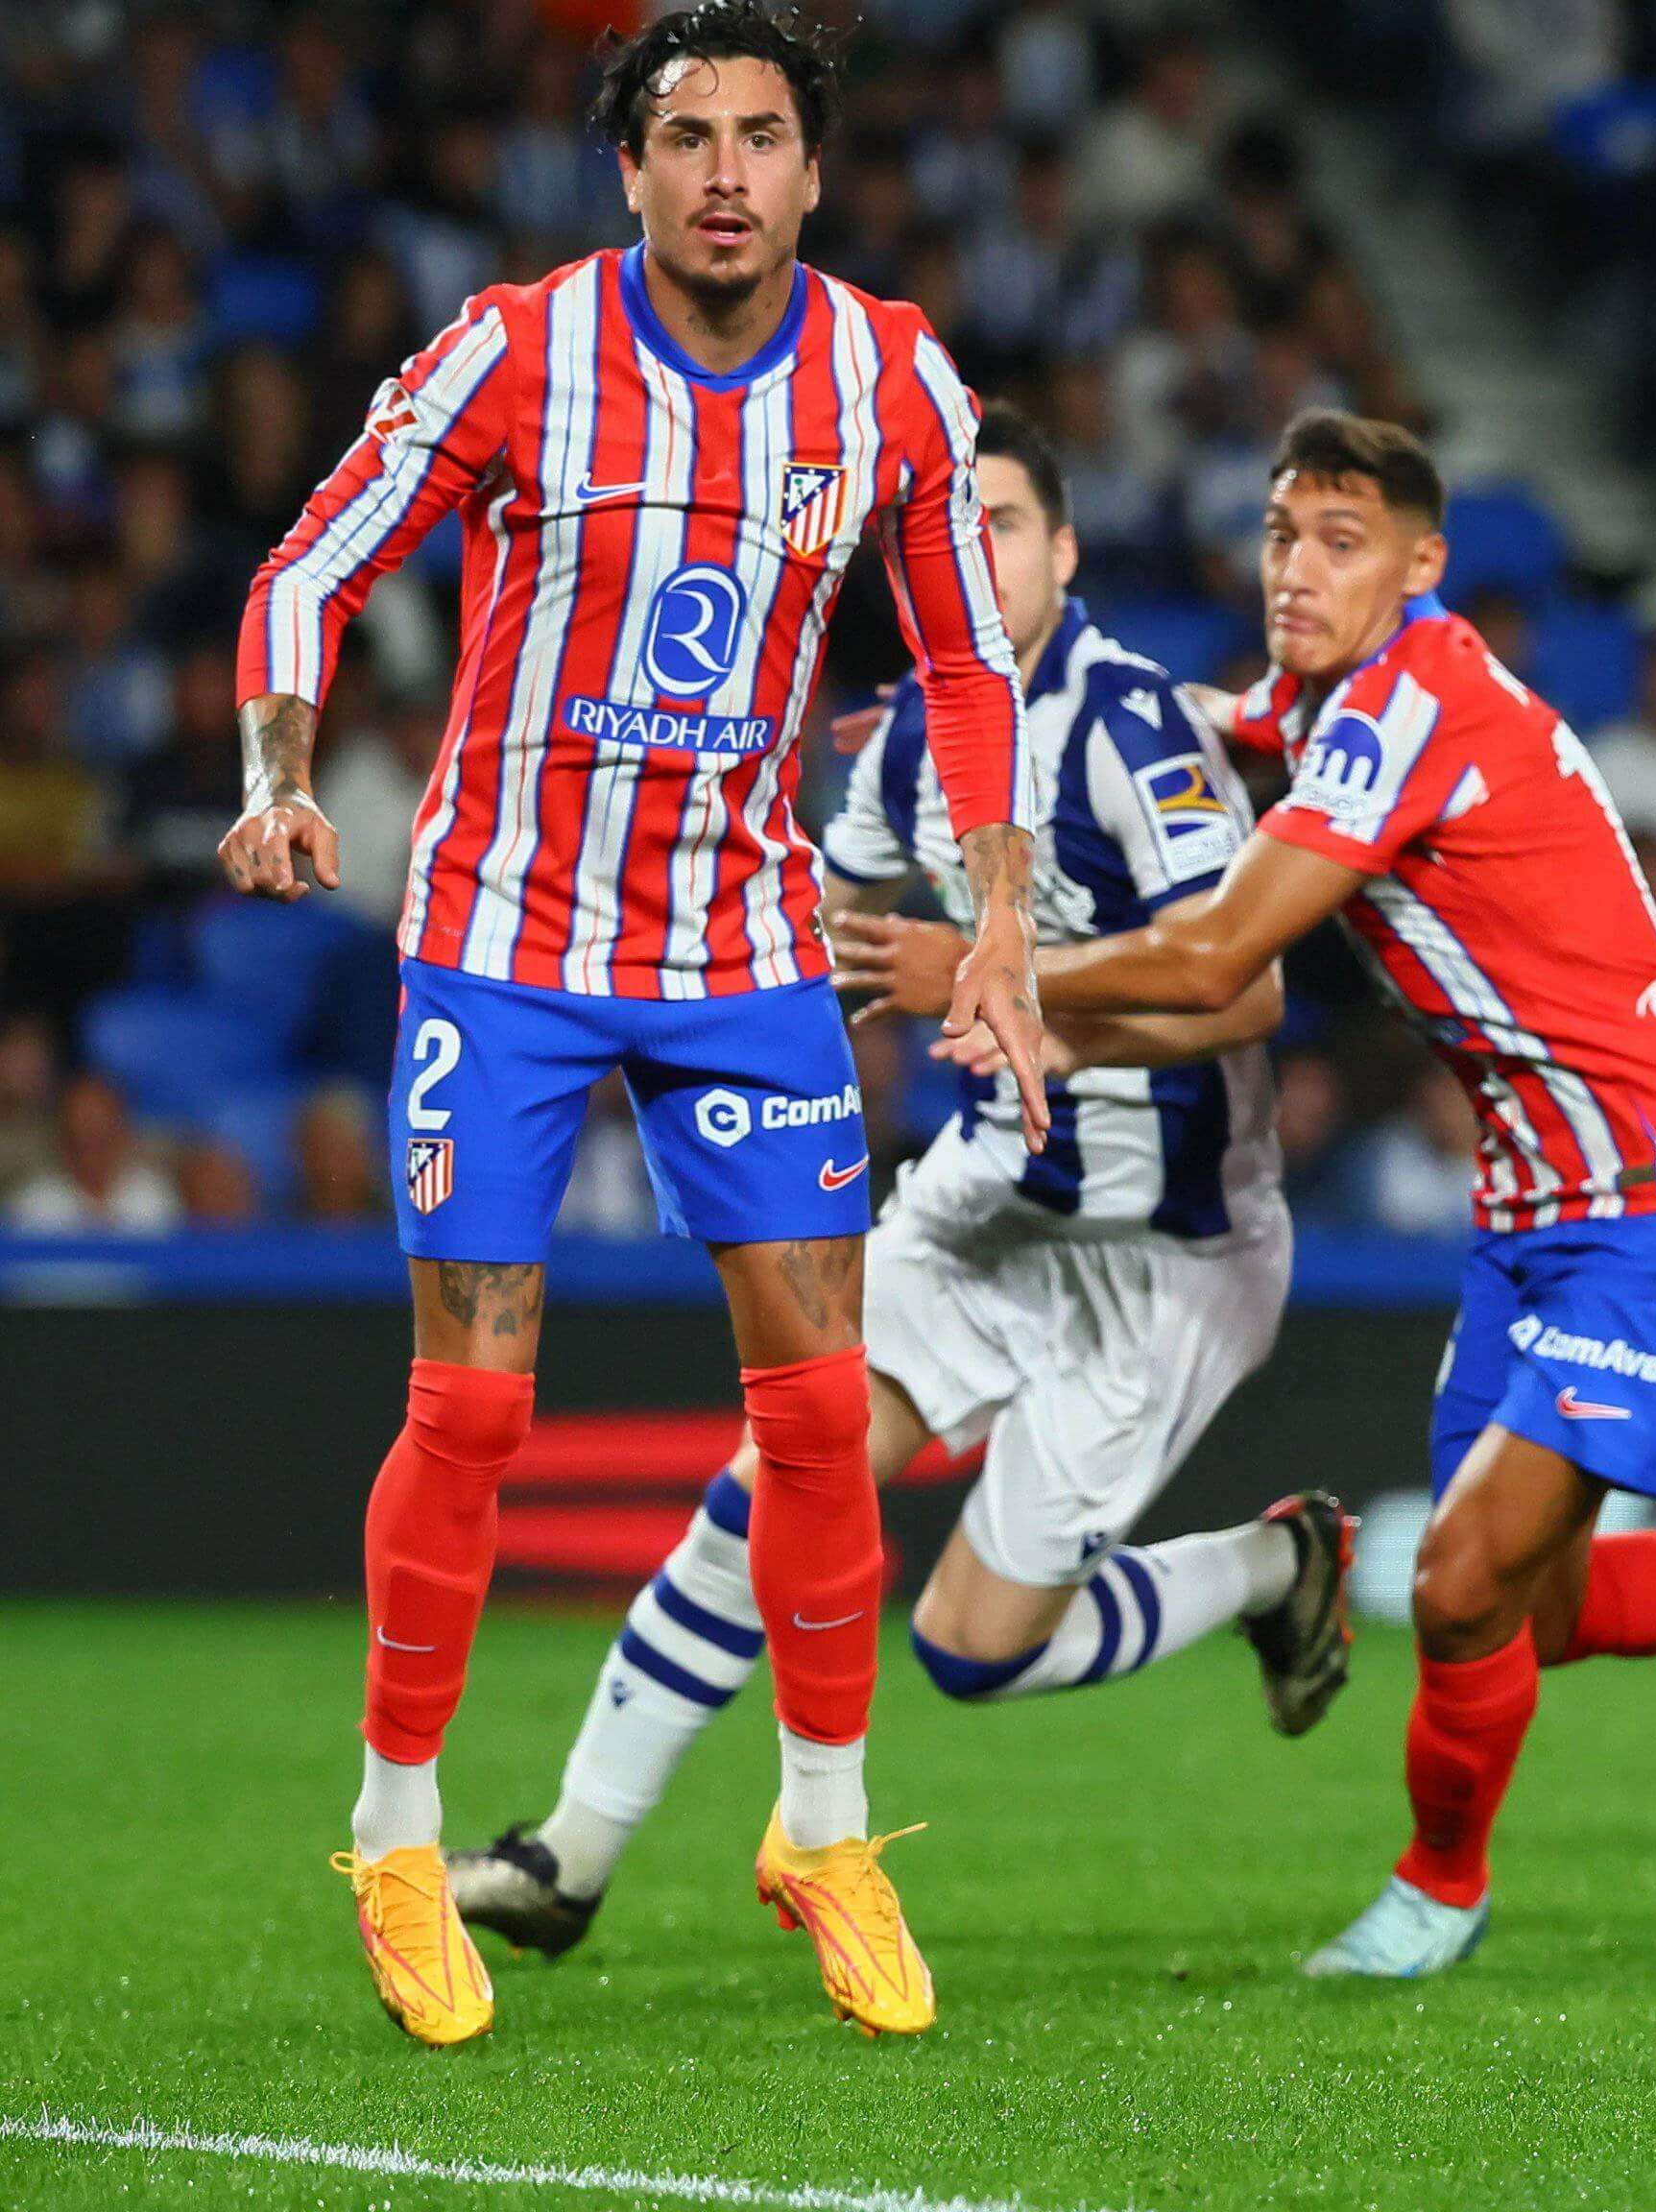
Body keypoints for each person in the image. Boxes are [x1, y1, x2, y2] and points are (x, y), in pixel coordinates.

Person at [844, 407, 1656, 1982]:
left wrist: (988, 961)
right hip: (1532, 1211)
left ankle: (1439, 1889)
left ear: (1422, 567)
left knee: (1458, 1579)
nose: (1296, 567)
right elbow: (1220, 711)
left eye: (1342, 543)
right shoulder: (1327, 698)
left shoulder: (1413, 703)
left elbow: (1216, 955)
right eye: (1280, 534)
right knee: (1522, 1613)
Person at [221, 2, 1045, 2047]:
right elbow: (314, 557)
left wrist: (1001, 922)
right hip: (505, 939)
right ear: (630, 169)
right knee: (477, 1408)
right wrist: (275, 765)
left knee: (815, 1406)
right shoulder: (519, 349)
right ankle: (398, 1838)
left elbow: (958, 663)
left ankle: (824, 1832)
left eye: (763, 136)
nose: (726, 173)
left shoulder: (887, 375)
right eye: (685, 137)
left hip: (742, 950)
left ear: (814, 168)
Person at [446, 405, 1350, 1961]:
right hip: (983, 1201)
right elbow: (833, 922)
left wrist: (1002, 980)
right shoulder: (916, 736)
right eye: (948, 527)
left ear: (1064, 554)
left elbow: (1254, 997)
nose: (975, 551)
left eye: (1005, 522)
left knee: (973, 1650)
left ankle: (1282, 1562)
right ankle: (567, 1858)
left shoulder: (1132, 727)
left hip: (1163, 1253)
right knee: (776, 1482)